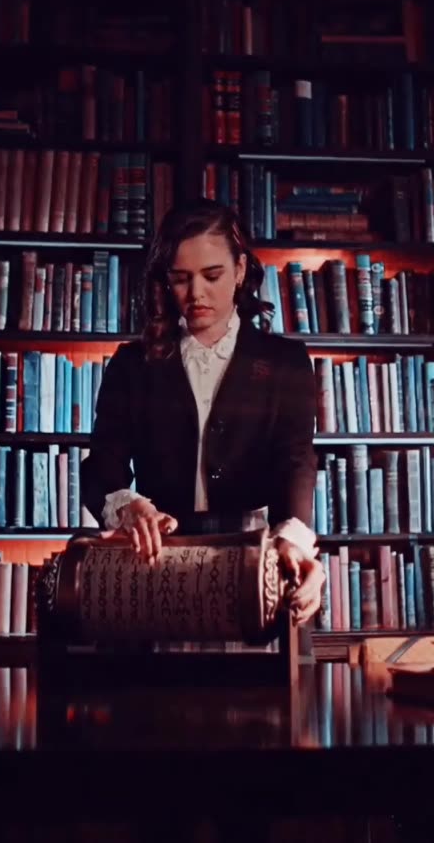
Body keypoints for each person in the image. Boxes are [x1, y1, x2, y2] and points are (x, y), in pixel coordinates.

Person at [81, 199, 324, 625]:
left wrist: (295, 541)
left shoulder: (285, 362)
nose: (196, 294)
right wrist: (128, 507)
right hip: (158, 560)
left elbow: (297, 460)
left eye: (212, 276)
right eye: (180, 279)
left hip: (254, 560)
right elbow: (102, 465)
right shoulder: (131, 364)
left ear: (240, 270)